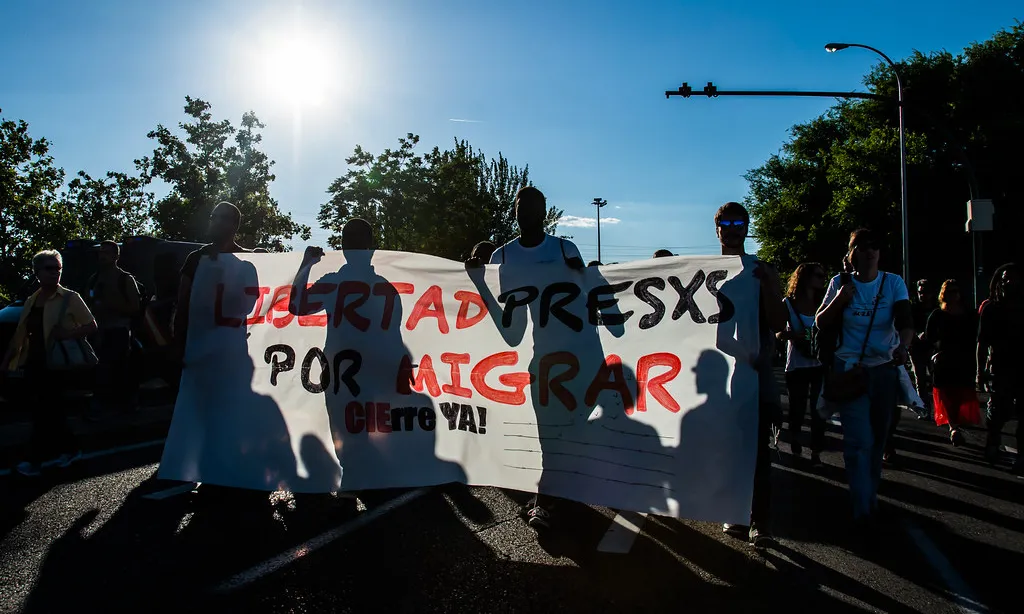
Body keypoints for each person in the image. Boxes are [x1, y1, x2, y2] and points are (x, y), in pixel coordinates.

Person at [480, 186, 585, 531]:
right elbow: (511, 330)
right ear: (515, 212)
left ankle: (548, 498)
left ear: (544, 211)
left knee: (566, 432)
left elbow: (589, 296)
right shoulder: (503, 257)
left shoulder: (564, 249)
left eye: (533, 207)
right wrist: (478, 282)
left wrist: (583, 272)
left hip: (576, 357)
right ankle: (548, 498)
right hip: (541, 360)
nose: (525, 213)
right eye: (520, 207)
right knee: (548, 434)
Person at [816, 229, 913, 526]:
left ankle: (870, 494)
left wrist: (903, 348)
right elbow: (820, 321)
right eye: (862, 247)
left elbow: (906, 322)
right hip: (850, 370)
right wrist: (841, 298)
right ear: (851, 253)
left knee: (878, 440)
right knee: (859, 441)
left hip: (884, 369)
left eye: (874, 247)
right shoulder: (839, 283)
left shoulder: (892, 282)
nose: (870, 252)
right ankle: (862, 507)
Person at [715, 202, 788, 548]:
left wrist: (772, 287)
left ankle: (761, 520)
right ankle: (735, 510)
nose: (732, 228)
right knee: (726, 447)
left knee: (756, 450)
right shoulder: (705, 273)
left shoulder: (761, 271)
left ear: (747, 228)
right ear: (717, 229)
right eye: (725, 223)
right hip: (714, 379)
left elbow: (778, 323)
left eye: (738, 222)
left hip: (751, 377)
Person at [3, 250, 98, 476]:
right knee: (49, 411)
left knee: (44, 410)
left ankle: (35, 460)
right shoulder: (31, 300)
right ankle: (70, 449)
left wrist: (67, 334)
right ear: (37, 272)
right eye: (49, 268)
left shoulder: (70, 298)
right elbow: (20, 335)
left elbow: (91, 325)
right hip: (35, 361)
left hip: (57, 363)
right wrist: (7, 361)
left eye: (58, 268)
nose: (55, 273)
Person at [173, 202, 251, 361]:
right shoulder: (196, 258)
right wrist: (178, 344)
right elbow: (182, 305)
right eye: (213, 217)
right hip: (199, 346)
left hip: (234, 349)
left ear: (235, 225)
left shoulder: (249, 261)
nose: (216, 222)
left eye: (223, 218)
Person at [778, 263, 827, 465]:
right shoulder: (788, 303)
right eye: (818, 275)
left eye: (824, 275)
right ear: (806, 278)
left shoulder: (823, 302)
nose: (822, 279)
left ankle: (816, 452)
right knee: (797, 410)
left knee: (819, 411)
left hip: (819, 362)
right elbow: (778, 332)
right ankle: (796, 442)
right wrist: (792, 335)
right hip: (796, 364)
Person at [86, 240, 141, 414]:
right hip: (98, 331)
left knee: (119, 369)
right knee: (99, 370)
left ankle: (124, 405)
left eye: (107, 253)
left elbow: (135, 308)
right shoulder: (93, 279)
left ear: (116, 256)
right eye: (100, 253)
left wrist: (110, 304)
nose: (102, 256)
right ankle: (101, 402)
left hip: (119, 331)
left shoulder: (125, 279)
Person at [978, 263, 1024, 473]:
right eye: (1005, 278)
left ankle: (1021, 456)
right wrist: (979, 371)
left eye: (1013, 278)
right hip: (1000, 367)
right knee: (998, 411)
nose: (1009, 282)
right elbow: (982, 342)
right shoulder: (991, 308)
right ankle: (993, 441)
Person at [925, 279, 980, 446]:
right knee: (945, 393)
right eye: (949, 291)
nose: (953, 294)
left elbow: (976, 338)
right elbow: (930, 337)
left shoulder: (969, 314)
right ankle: (953, 427)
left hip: (964, 359)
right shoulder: (938, 315)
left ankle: (957, 424)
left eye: (955, 291)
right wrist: (934, 353)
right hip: (944, 360)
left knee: (961, 393)